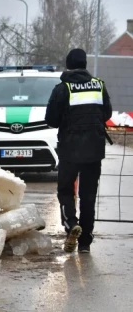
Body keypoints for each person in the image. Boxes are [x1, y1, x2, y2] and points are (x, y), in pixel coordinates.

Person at [45, 48, 112, 254]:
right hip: (94, 149)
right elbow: (107, 113)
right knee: (88, 194)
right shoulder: (99, 85)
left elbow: (51, 120)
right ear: (85, 65)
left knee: (66, 190)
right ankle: (85, 241)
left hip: (70, 150)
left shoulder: (63, 88)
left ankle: (71, 225)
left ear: (68, 65)